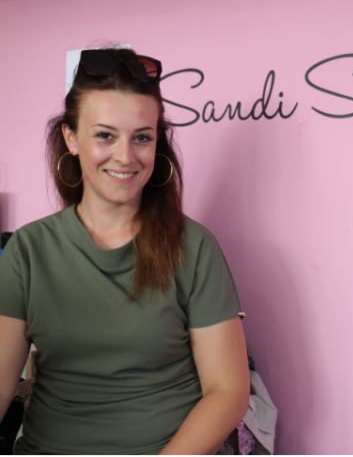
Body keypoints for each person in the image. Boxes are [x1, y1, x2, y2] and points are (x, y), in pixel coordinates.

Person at [0, 47, 250, 454]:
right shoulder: (27, 251)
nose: (125, 156)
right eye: (105, 135)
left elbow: (228, 391)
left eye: (142, 138)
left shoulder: (194, 247)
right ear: (71, 138)